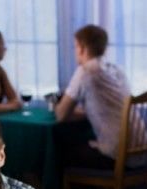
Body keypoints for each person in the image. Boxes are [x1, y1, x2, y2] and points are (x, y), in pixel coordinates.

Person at [55, 24, 132, 169]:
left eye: (75, 47)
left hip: (116, 157)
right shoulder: (116, 70)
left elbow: (60, 115)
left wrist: (56, 105)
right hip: (139, 153)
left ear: (82, 48)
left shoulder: (85, 71)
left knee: (57, 152)